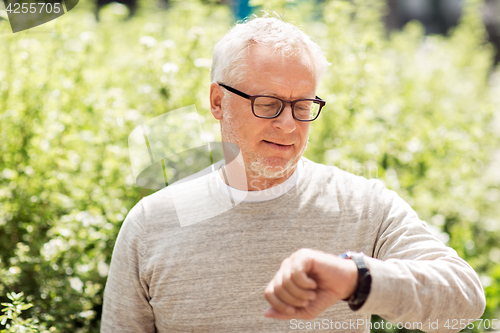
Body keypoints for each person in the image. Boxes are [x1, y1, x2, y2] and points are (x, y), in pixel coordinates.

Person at [101, 16, 486, 332]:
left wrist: (355, 277)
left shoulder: (363, 205)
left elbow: (464, 300)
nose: (288, 125)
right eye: (268, 104)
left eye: (302, 105)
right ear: (218, 102)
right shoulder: (151, 224)